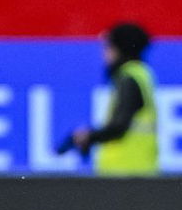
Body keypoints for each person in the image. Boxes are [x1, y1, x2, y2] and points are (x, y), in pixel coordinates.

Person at [62, 22, 158, 174]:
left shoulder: (128, 78)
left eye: (108, 47)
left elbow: (119, 126)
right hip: (138, 168)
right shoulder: (141, 74)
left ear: (120, 49)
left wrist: (87, 137)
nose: (104, 53)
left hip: (125, 172)